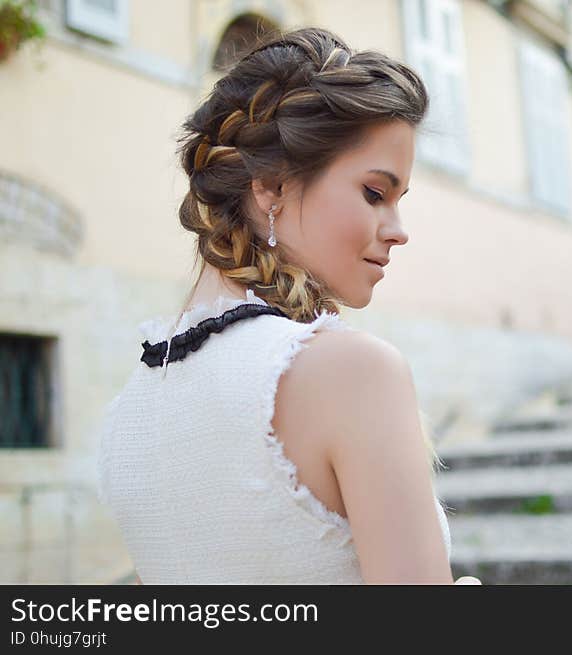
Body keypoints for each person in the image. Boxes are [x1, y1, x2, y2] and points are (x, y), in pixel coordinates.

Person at [97, 26, 480, 585]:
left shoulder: (129, 409)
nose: (398, 232)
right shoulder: (353, 373)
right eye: (375, 193)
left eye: (399, 201)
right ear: (271, 187)